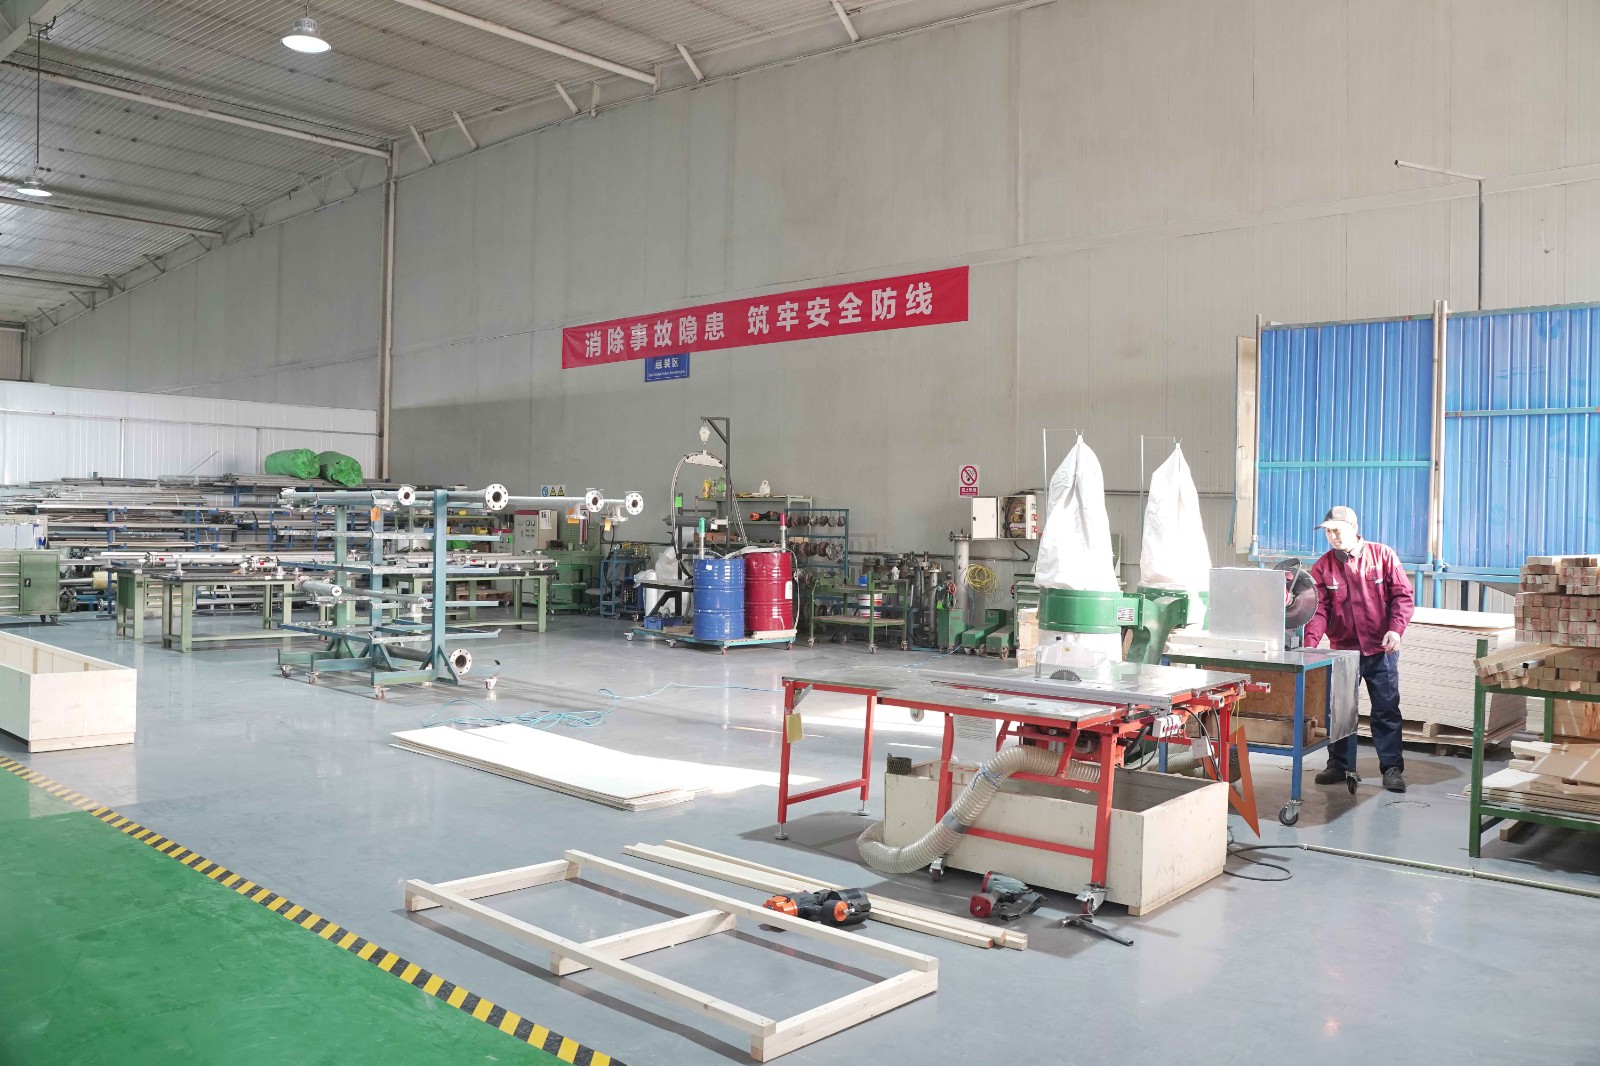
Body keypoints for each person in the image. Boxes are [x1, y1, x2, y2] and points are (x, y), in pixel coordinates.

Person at [1302, 506, 1415, 793]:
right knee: (1339, 711)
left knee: (1386, 710)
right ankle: (1339, 765)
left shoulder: (1382, 556)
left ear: (1354, 528)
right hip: (1344, 651)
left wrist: (1396, 629)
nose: (1332, 536)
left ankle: (1391, 768)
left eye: (1337, 530)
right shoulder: (1322, 567)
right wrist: (1310, 645)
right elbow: (1319, 610)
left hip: (1380, 650)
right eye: (1328, 531)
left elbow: (1402, 596)